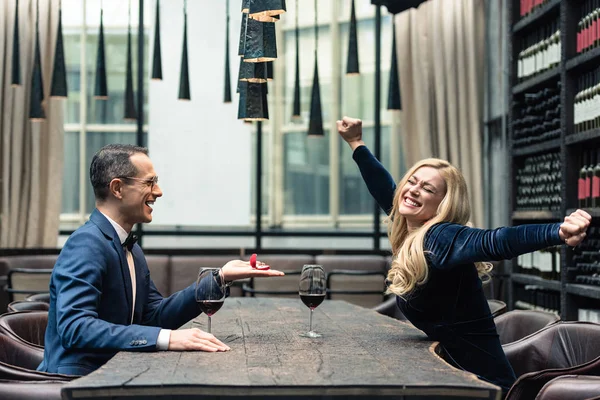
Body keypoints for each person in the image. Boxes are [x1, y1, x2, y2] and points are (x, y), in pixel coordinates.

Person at [337, 116, 590, 396]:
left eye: (428, 189)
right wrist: (356, 143)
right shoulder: (412, 229)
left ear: (442, 204)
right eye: (412, 181)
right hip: (451, 376)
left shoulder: (439, 238)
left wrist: (558, 232)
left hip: (482, 387)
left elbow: (497, 241)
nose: (413, 190)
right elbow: (385, 189)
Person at [38, 144, 284, 376]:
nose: (159, 191)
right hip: (77, 381)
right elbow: (75, 328)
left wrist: (220, 277)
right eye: (150, 182)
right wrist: (167, 338)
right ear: (117, 188)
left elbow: (155, 316)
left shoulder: (131, 248)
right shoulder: (87, 243)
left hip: (120, 373)